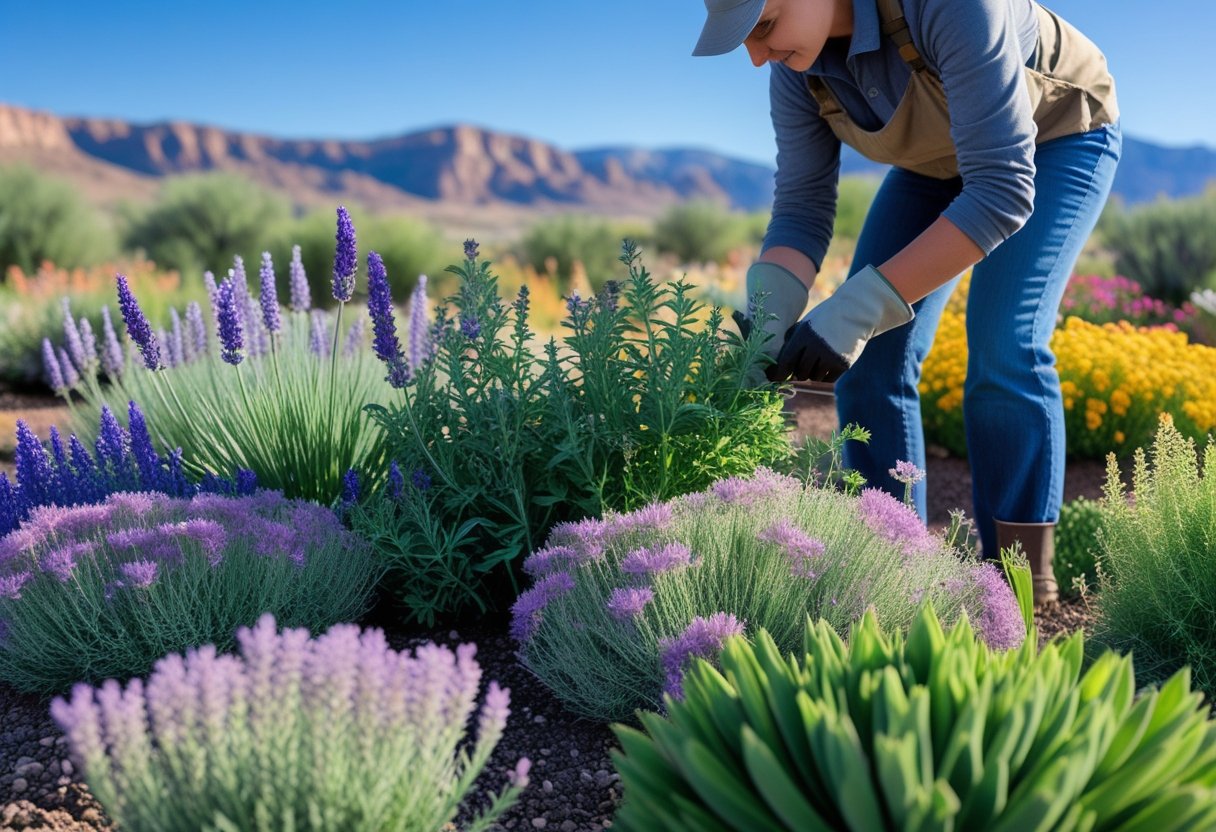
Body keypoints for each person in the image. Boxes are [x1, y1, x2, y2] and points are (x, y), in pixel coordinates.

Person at [694, 0, 1121, 604]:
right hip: (935, 162)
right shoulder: (797, 69)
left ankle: (1018, 583)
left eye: (763, 26)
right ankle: (889, 574)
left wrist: (855, 309)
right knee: (869, 360)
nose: (757, 55)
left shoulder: (951, 6)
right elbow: (800, 212)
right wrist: (765, 322)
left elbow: (1000, 189)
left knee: (1004, 343)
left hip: (1054, 139)